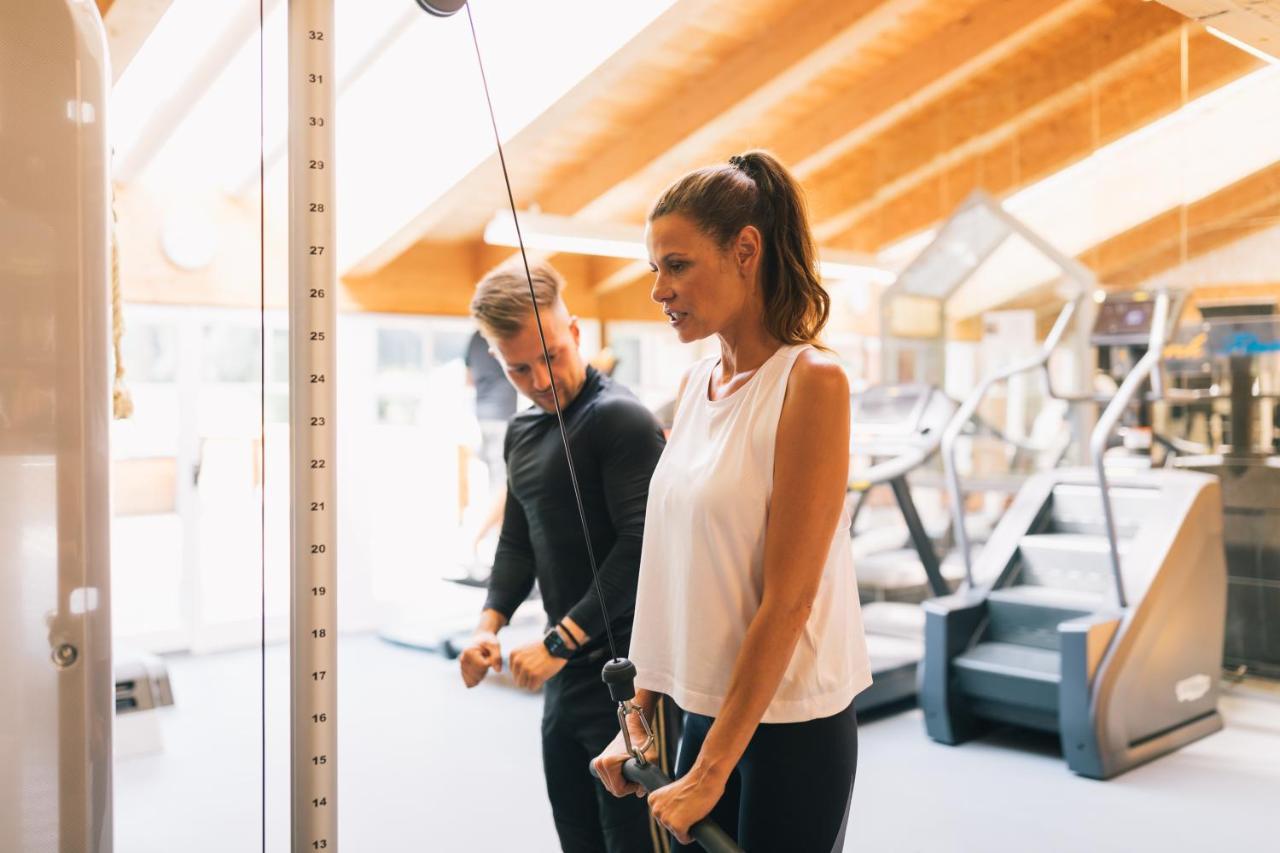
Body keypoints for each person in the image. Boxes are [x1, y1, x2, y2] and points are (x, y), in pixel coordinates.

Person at [592, 150, 873, 852]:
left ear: (745, 251)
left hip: (790, 727)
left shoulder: (811, 381)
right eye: (656, 267)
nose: (658, 288)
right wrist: (640, 711)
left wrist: (712, 770)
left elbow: (789, 599)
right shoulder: (693, 387)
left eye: (677, 264)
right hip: (701, 714)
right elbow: (668, 565)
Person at [457, 259, 669, 853]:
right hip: (566, 689)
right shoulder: (521, 433)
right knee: (577, 838)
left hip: (632, 684)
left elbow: (639, 546)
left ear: (574, 333)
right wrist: (488, 627)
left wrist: (557, 643)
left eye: (550, 355)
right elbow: (518, 543)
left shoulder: (620, 420)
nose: (541, 379)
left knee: (633, 844)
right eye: (519, 367)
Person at [463, 328, 517, 574]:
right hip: (501, 416)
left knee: (499, 485)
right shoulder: (502, 331)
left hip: (482, 416)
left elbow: (468, 379)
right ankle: (471, 544)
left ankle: (499, 554)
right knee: (505, 488)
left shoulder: (474, 337)